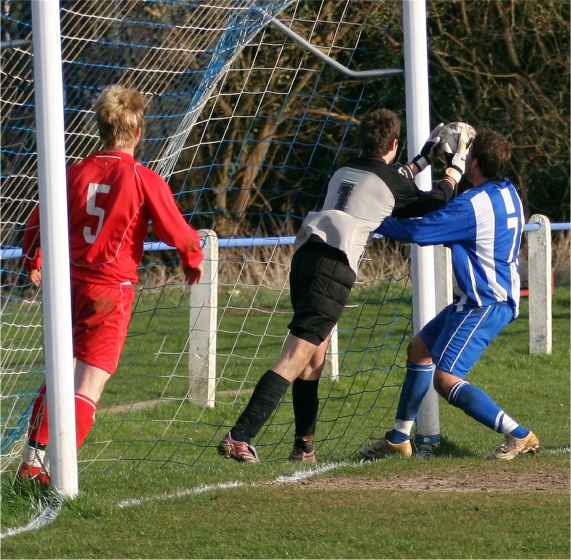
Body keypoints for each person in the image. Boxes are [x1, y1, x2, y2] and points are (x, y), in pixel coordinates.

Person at [217, 108, 473, 463]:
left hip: (305, 258)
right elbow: (433, 201)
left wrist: (423, 158)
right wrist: (455, 167)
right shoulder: (394, 182)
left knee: (314, 358)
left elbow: (391, 176)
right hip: (333, 268)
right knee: (295, 356)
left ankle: (303, 446)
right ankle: (239, 435)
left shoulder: (345, 169)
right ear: (394, 143)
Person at [18, 85, 204, 484]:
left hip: (66, 286)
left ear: (99, 127)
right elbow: (181, 233)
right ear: (139, 132)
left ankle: (30, 462)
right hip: (110, 291)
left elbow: (36, 222)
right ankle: (54, 475)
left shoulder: (74, 171)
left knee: (59, 374)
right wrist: (192, 261)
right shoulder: (142, 178)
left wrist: (33, 258)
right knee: (89, 383)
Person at [361, 129, 539, 462]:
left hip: (485, 302)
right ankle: (399, 439)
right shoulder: (509, 192)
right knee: (420, 349)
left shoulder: (473, 205)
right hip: (480, 298)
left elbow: (420, 231)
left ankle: (519, 435)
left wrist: (373, 221)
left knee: (445, 379)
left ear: (473, 160)